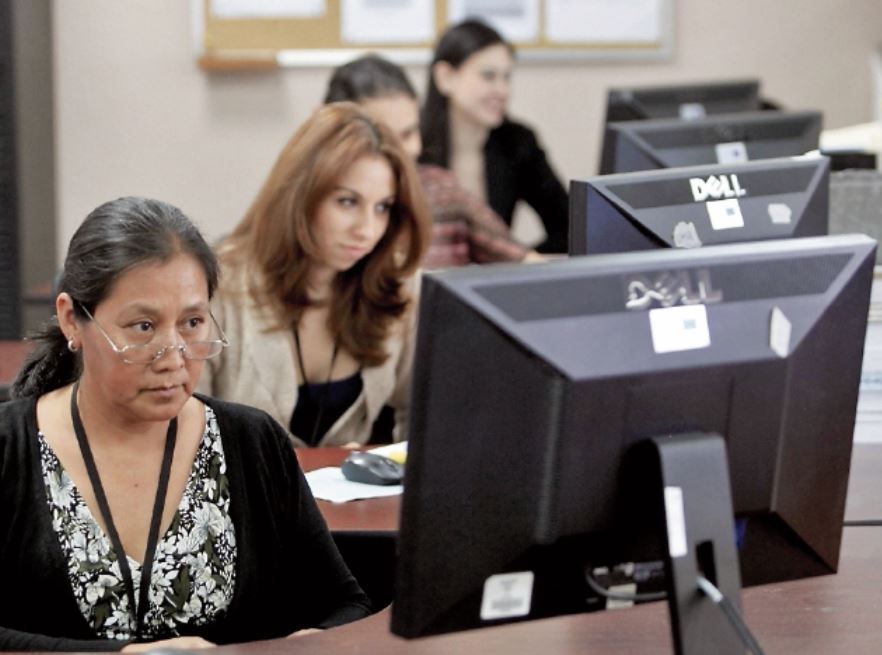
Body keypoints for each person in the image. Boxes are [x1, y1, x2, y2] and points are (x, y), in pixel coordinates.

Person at [4, 197, 371, 651]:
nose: (174, 357)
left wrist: (308, 642)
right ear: (70, 320)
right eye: (142, 327)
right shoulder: (10, 447)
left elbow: (346, 605)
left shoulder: (251, 442)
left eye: (192, 322)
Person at [198, 103, 431, 446]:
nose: (367, 229)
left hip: (355, 501)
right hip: (239, 499)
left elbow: (424, 416)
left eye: (383, 207)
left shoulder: (396, 285)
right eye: (347, 202)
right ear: (300, 195)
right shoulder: (218, 287)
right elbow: (178, 431)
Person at [325, 53, 536, 268]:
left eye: (409, 133)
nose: (404, 151)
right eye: (383, 137)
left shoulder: (443, 189)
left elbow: (526, 263)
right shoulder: (320, 202)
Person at [421, 18, 570, 254]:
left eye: (507, 77)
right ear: (445, 77)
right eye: (488, 76)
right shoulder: (413, 145)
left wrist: (515, 265)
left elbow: (569, 227)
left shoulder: (518, 143)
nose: (502, 91)